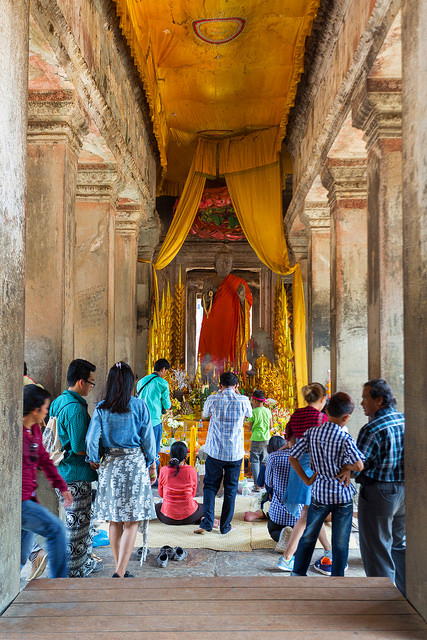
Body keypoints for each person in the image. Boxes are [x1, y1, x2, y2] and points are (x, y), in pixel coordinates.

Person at [86, 361, 157, 578]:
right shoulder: (139, 406)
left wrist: (92, 457)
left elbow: (91, 439)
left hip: (110, 465)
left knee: (114, 519)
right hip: (134, 464)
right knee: (132, 520)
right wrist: (152, 463)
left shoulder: (101, 408)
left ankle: (120, 570)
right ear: (129, 383)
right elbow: (148, 440)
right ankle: (120, 571)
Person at [289, 392, 365, 577]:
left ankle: (298, 573)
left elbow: (293, 457)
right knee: (340, 541)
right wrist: (345, 467)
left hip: (319, 492)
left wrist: (307, 480)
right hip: (342, 494)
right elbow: (359, 465)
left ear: (326, 410)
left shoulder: (312, 433)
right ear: (346, 418)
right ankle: (337, 577)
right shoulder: (344, 437)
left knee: (309, 535)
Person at [49, 358, 101, 577]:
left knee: (75, 523)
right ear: (81, 382)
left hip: (63, 472)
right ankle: (75, 570)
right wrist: (94, 457)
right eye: (91, 382)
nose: (91, 386)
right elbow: (80, 446)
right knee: (77, 527)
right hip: (76, 475)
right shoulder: (76, 410)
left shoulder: (59, 401)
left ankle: (81, 563)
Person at [356, 379, 406, 595]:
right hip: (406, 492)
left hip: (379, 494)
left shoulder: (372, 429)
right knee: (399, 544)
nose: (362, 403)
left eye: (366, 397)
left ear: (379, 399)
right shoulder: (406, 421)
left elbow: (357, 466)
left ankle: (382, 601)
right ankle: (409, 596)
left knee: (377, 549)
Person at [279, 382, 332, 573]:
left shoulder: (297, 414)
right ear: (323, 398)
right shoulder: (321, 418)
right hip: (315, 465)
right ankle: (287, 557)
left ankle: (329, 550)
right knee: (308, 512)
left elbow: (290, 440)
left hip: (297, 463)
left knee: (312, 510)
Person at [21, 385, 72, 578]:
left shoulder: (34, 430)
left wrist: (62, 486)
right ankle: (59, 585)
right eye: (45, 408)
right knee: (56, 529)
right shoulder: (13, 433)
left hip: (29, 499)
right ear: (35, 410)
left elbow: (44, 459)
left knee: (22, 555)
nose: (46, 412)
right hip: (19, 502)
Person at [194, 371, 252, 535]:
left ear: (219, 385)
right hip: (235, 453)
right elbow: (250, 415)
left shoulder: (212, 398)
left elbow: (205, 415)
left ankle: (207, 523)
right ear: (237, 386)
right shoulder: (243, 400)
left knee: (210, 487)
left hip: (216, 451)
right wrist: (239, 395)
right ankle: (225, 527)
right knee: (231, 489)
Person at [198, 246, 253, 374]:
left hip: (231, 325)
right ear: (214, 265)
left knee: (231, 350)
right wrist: (207, 297)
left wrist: (242, 298)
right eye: (221, 261)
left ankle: (234, 376)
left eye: (228, 262)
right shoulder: (209, 282)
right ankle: (209, 378)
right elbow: (204, 305)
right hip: (213, 326)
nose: (224, 264)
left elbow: (247, 304)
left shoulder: (239, 283)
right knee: (211, 353)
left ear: (232, 266)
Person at [156, 441, 204, 525]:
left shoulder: (164, 470)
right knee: (206, 507)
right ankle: (201, 519)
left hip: (167, 518)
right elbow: (192, 494)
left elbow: (161, 494)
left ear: (170, 455)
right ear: (186, 456)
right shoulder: (192, 470)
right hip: (190, 516)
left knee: (156, 506)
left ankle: (199, 519)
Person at [136, 358, 171, 469]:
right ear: (163, 369)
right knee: (154, 451)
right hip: (154, 422)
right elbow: (167, 405)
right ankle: (152, 477)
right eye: (166, 371)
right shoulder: (162, 383)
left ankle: (142, 474)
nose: (165, 374)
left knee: (141, 450)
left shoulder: (141, 381)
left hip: (139, 421)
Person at [248, 390, 272, 491]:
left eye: (253, 400)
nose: (253, 402)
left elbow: (250, 428)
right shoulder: (268, 411)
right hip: (266, 438)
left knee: (254, 461)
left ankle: (257, 485)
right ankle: (263, 484)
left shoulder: (253, 412)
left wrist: (253, 429)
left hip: (256, 438)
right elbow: (271, 426)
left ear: (256, 401)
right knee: (264, 461)